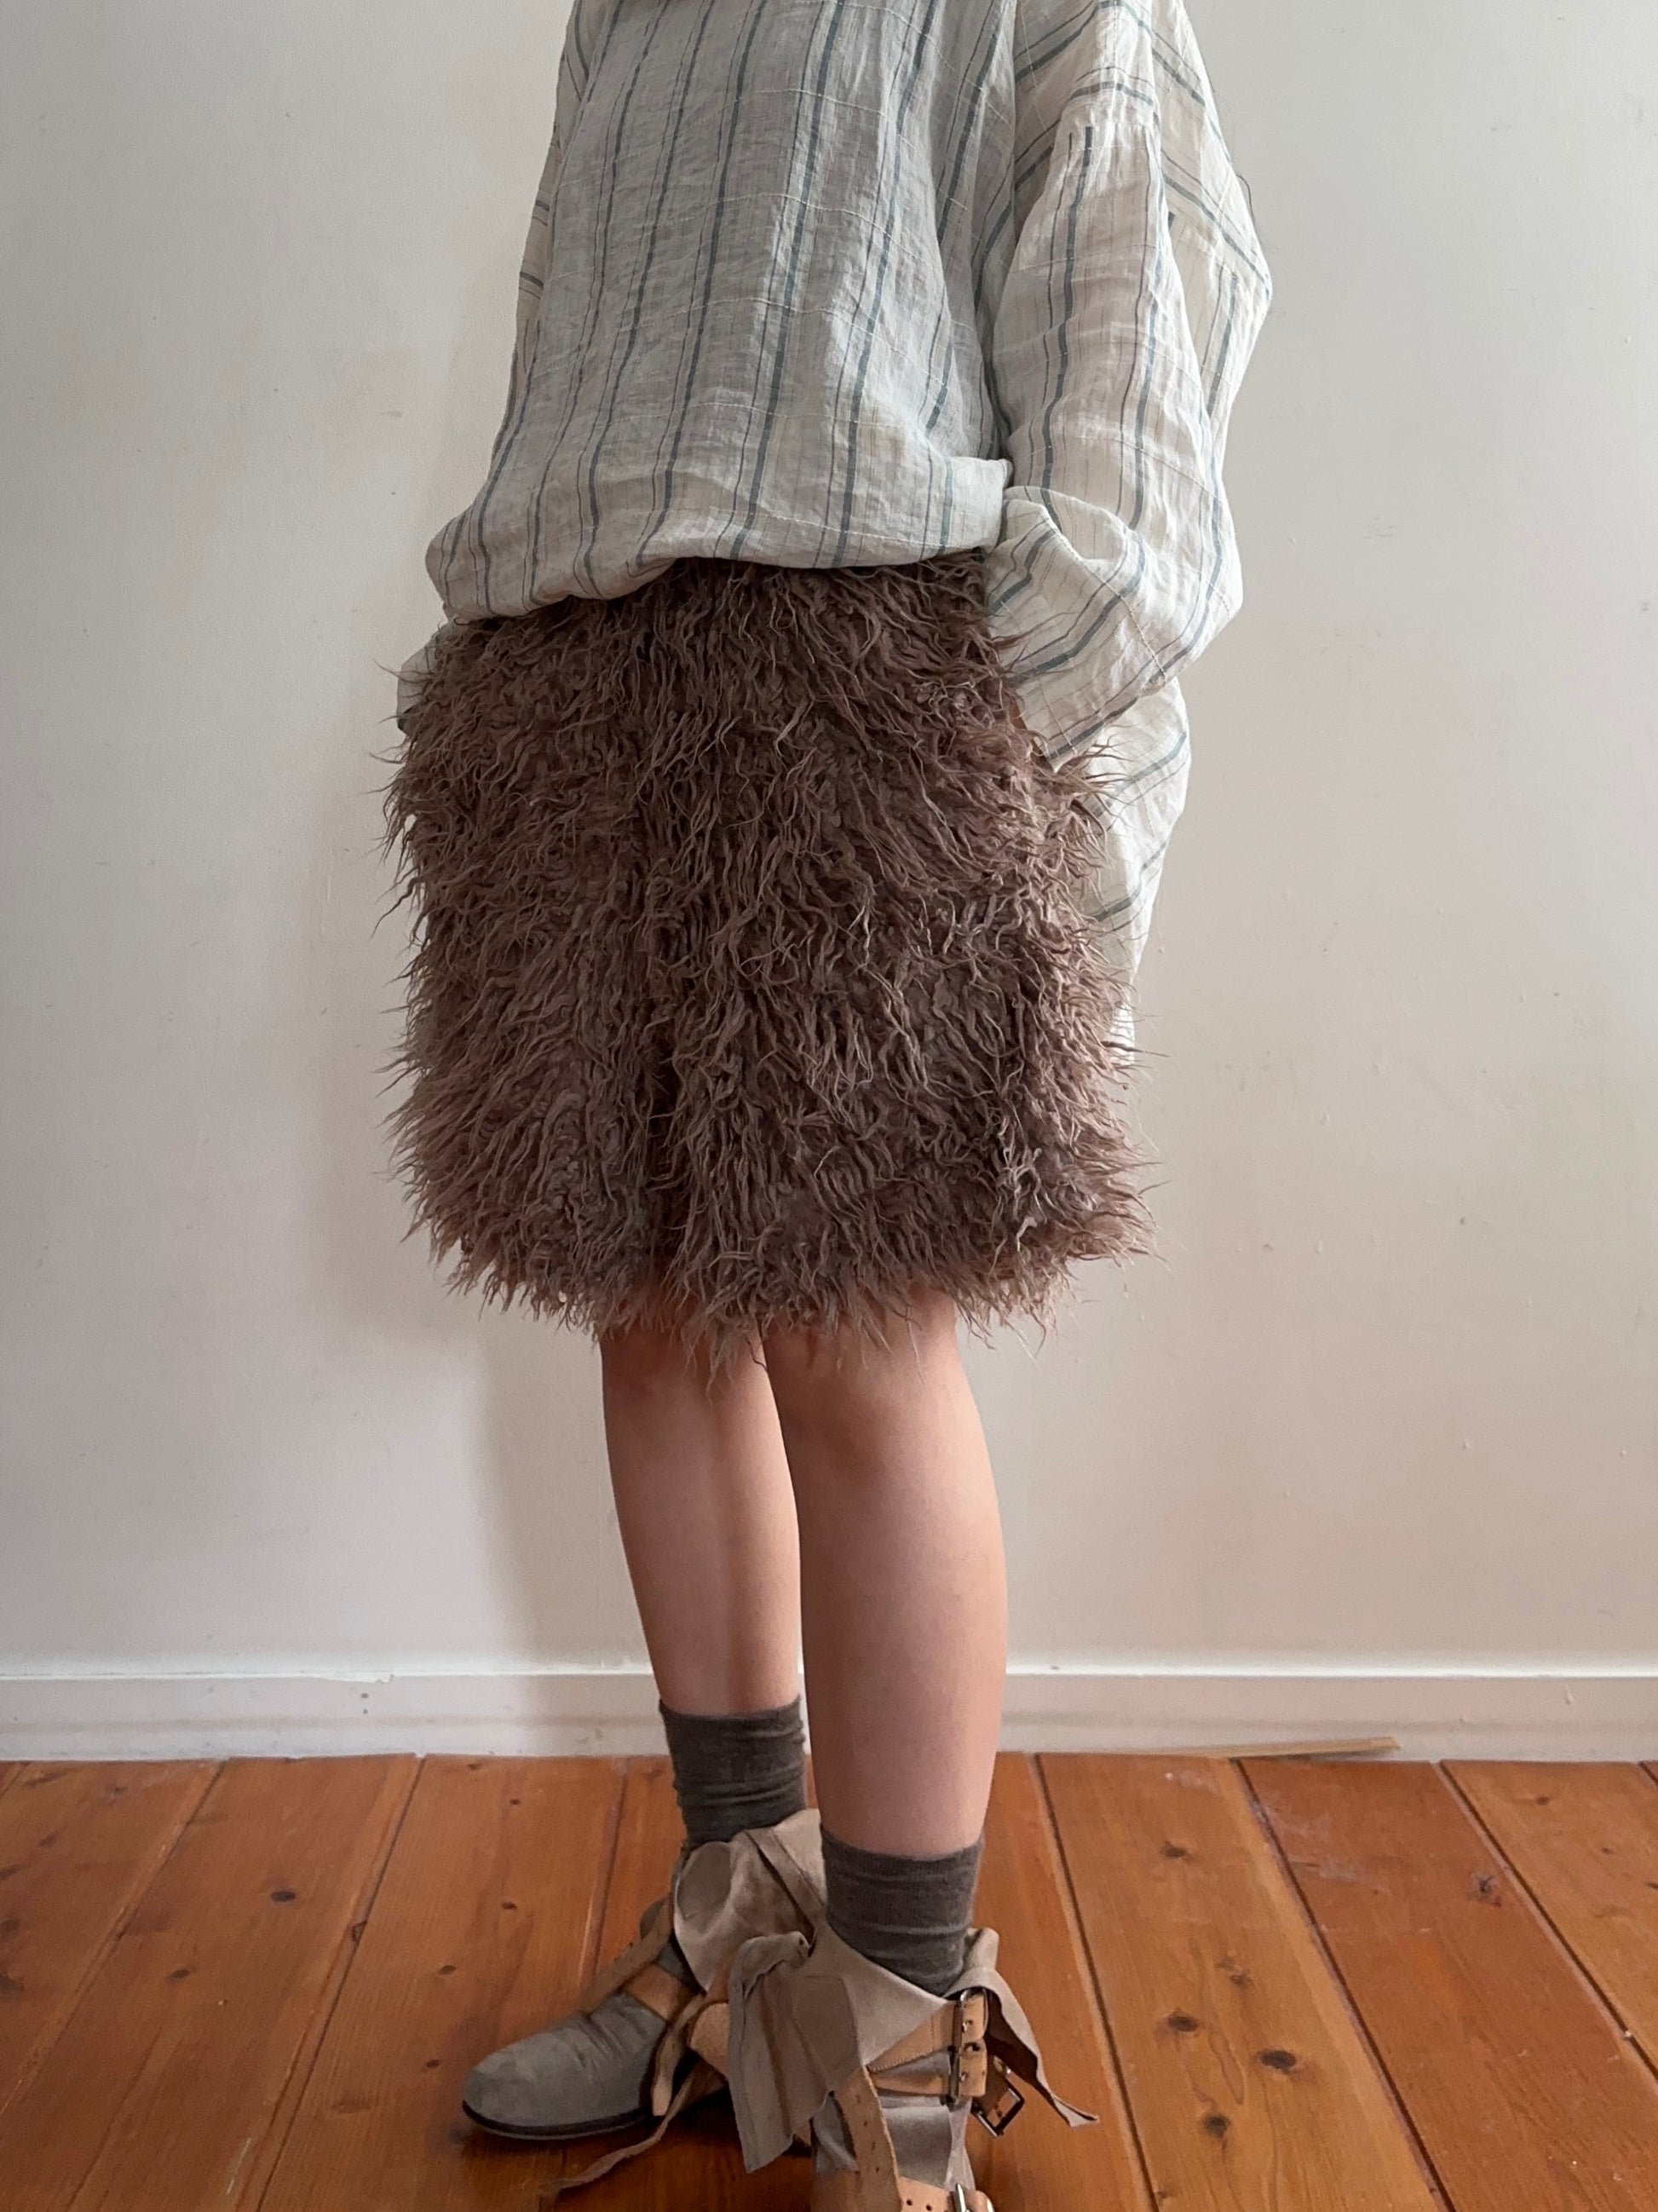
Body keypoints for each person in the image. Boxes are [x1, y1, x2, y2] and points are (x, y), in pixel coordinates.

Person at [381, 0, 1269, 2203]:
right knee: (646, 1317)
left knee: (857, 1340)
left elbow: (1145, 394)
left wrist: (960, 749)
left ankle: (886, 2045)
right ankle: (740, 1935)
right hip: (575, 666)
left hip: (859, 675)